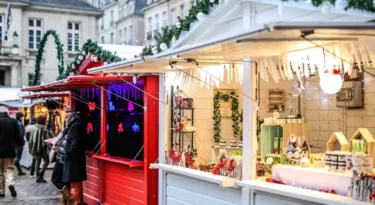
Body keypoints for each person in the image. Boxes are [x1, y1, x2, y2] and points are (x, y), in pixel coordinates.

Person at [63, 112, 87, 205]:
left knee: (75, 181)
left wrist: (68, 154)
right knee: (75, 181)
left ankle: (78, 202)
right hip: (75, 158)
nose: (65, 119)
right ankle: (77, 201)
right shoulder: (74, 125)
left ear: (72, 117)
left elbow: (74, 143)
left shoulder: (75, 126)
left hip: (74, 159)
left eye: (67, 117)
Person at [51, 127, 75, 205]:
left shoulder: (66, 130)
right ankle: (64, 202)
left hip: (61, 160)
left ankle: (69, 197)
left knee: (55, 179)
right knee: (65, 182)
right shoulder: (73, 131)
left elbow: (58, 142)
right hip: (67, 161)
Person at [0, 106, 20, 198]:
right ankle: (10, 184)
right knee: (9, 169)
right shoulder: (14, 121)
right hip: (10, 151)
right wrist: (17, 145)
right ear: (7, 112)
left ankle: (1, 191)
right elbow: (18, 136)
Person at [29, 114, 50, 183]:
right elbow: (45, 139)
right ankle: (40, 175)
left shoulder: (34, 126)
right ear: (44, 120)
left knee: (38, 161)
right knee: (46, 161)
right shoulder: (44, 127)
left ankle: (38, 176)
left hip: (35, 147)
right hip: (42, 148)